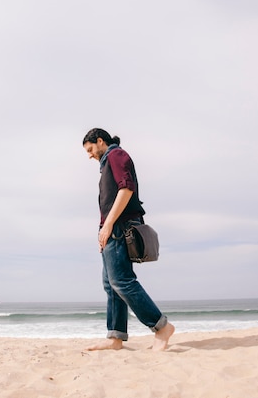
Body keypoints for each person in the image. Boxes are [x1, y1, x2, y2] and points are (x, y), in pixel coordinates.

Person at [82, 128, 175, 351]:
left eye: (91, 149)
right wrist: (103, 230)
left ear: (100, 141)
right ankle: (115, 338)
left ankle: (161, 327)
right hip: (111, 229)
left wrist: (109, 225)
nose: (90, 155)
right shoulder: (106, 162)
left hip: (120, 228)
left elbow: (127, 189)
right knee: (111, 285)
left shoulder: (116, 155)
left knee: (122, 281)